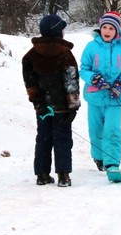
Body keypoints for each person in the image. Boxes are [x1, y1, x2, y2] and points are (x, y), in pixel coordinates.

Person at [22, 13, 81, 187]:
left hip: (43, 108)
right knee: (62, 140)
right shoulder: (65, 54)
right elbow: (71, 82)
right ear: (57, 32)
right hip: (62, 107)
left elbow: (30, 84)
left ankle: (42, 174)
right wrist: (73, 106)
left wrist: (38, 103)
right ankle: (63, 175)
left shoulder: (30, 56)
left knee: (44, 139)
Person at [80, 10, 121, 172]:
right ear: (100, 28)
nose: (107, 31)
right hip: (95, 97)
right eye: (105, 28)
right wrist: (94, 78)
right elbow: (83, 69)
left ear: (117, 31)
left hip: (115, 98)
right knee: (96, 130)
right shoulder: (91, 47)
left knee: (112, 129)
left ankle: (112, 162)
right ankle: (99, 157)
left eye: (111, 28)